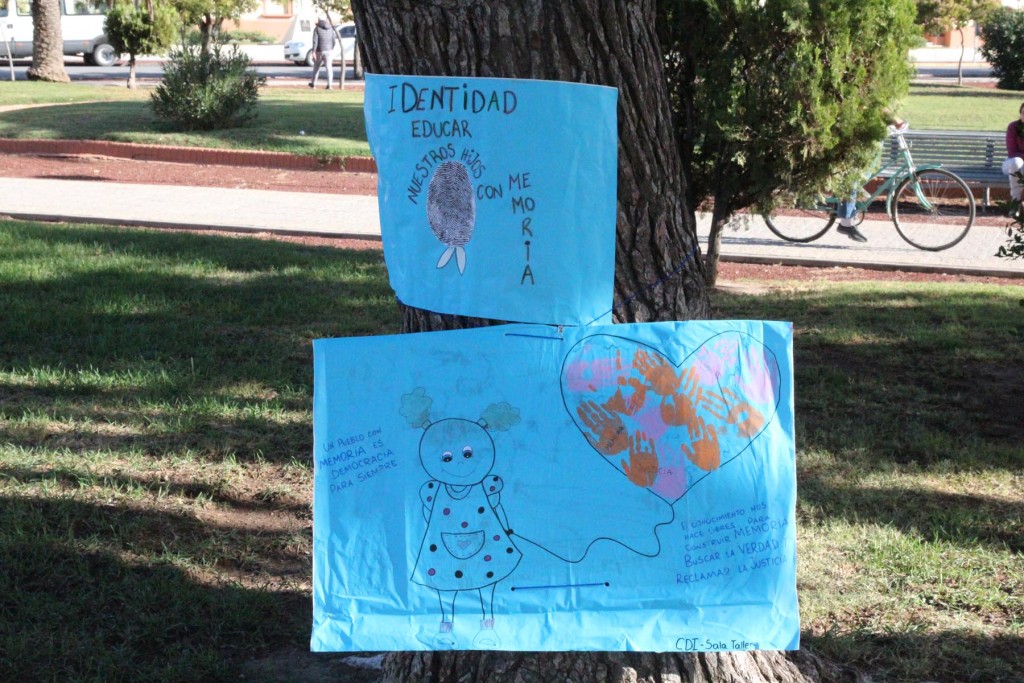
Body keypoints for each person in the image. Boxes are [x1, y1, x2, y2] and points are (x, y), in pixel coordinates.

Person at [835, 116, 908, 243]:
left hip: (867, 133)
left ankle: (853, 199)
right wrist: (897, 120)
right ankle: (846, 223)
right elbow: (878, 107)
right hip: (854, 132)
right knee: (853, 177)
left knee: (867, 170)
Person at [1002, 102, 1024, 211]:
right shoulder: (1013, 127)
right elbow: (1012, 152)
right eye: (1023, 113)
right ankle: (1016, 203)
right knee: (1017, 163)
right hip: (1011, 163)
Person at [308, 17, 336, 90]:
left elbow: (315, 41)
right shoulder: (331, 28)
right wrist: (331, 48)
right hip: (329, 50)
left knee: (316, 67)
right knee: (329, 68)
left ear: (319, 20)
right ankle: (329, 85)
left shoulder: (317, 28)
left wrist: (313, 51)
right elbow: (334, 40)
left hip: (319, 50)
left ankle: (313, 84)